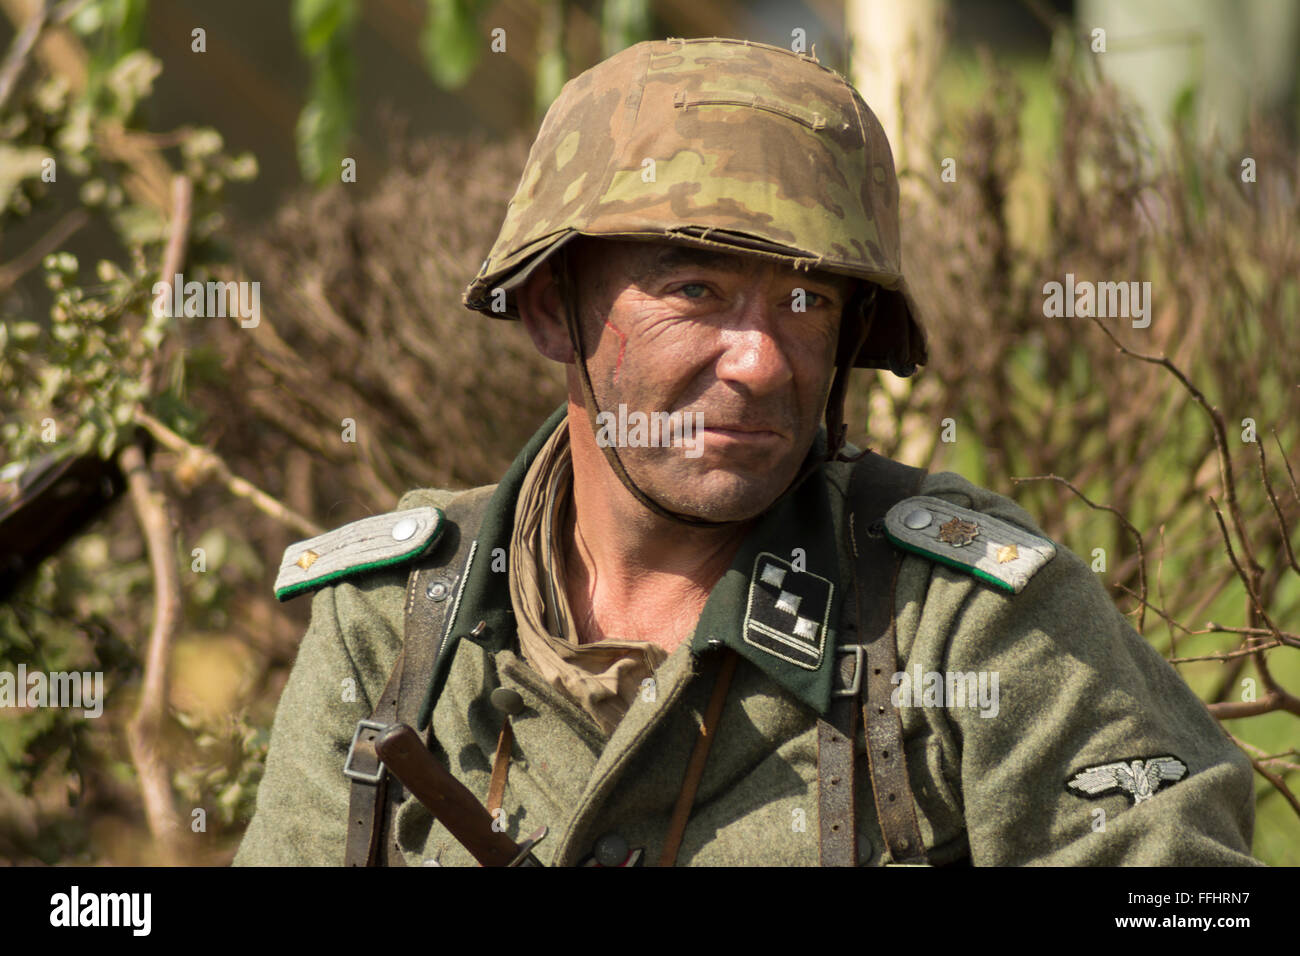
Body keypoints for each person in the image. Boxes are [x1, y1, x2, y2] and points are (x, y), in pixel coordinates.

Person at [234, 37, 1257, 867]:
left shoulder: (960, 622)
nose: (762, 361)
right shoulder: (398, 622)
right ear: (554, 307)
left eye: (805, 301)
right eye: (697, 292)